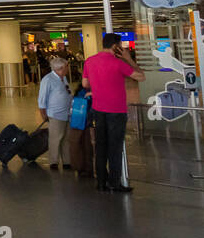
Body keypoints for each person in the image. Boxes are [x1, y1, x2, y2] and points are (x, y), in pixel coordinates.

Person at [82, 33, 145, 192]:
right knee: (115, 148)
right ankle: (114, 183)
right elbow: (141, 77)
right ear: (115, 46)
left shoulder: (89, 61)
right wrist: (128, 58)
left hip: (98, 109)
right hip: (116, 111)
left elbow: (85, 83)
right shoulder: (118, 63)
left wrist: (98, 88)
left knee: (100, 146)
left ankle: (101, 182)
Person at [38, 56, 73, 171]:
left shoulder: (63, 78)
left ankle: (67, 161)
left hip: (67, 113)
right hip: (55, 114)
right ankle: (54, 161)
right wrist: (43, 114)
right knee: (55, 139)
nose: (68, 68)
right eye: (66, 67)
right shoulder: (48, 80)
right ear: (61, 68)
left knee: (66, 139)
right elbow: (42, 98)